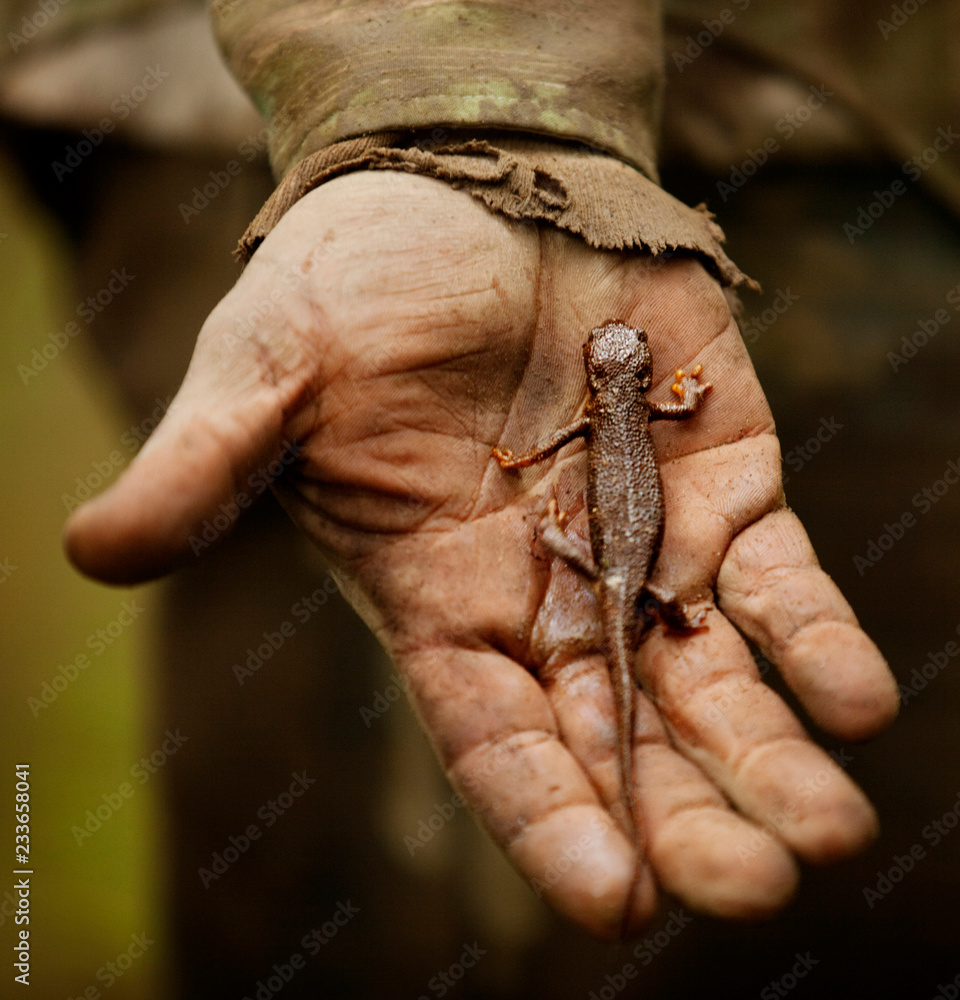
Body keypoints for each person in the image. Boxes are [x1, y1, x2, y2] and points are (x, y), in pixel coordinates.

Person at [62, 0, 899, 941]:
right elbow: (671, 406)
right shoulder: (633, 406)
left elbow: (585, 438)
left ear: (606, 377)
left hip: (816, 164)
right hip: (173, 107)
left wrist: (545, 519)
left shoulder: (599, 413)